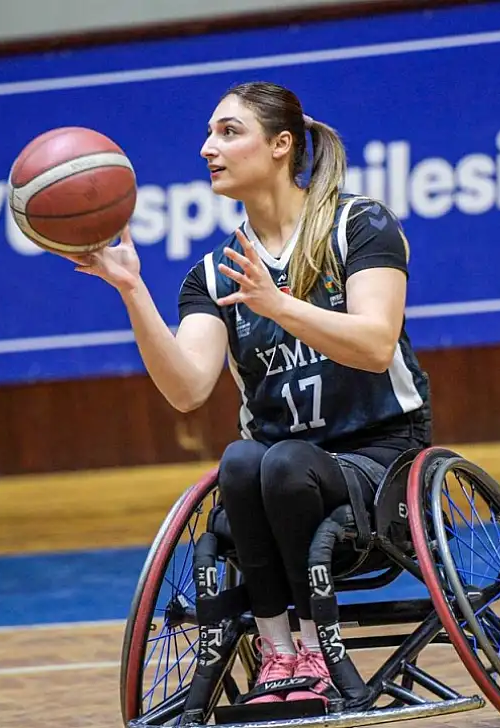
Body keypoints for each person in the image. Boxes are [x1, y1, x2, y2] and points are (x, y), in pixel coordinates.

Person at [61, 80, 432, 706]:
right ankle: (278, 651)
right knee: (241, 458)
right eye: (208, 134)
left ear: (282, 145)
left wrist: (279, 305)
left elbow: (374, 345)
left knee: (282, 460)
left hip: (379, 459)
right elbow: (187, 389)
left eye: (228, 132)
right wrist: (131, 289)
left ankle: (314, 648)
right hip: (272, 475)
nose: (208, 147)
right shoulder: (213, 274)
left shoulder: (358, 225)